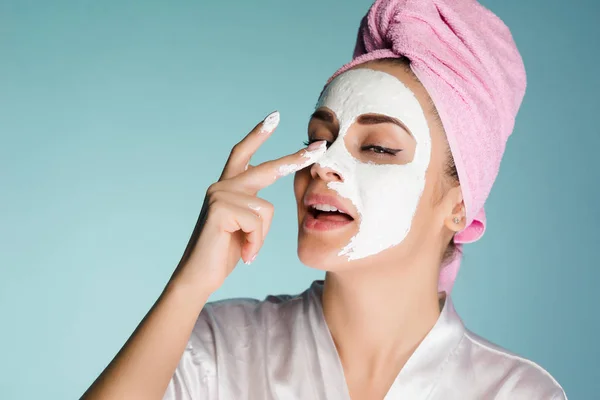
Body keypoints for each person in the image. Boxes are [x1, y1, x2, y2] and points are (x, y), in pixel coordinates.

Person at [82, 0, 567, 399]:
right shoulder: (215, 348)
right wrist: (188, 286)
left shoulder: (517, 392)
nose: (322, 164)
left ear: (459, 206)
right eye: (318, 139)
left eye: (377, 147)